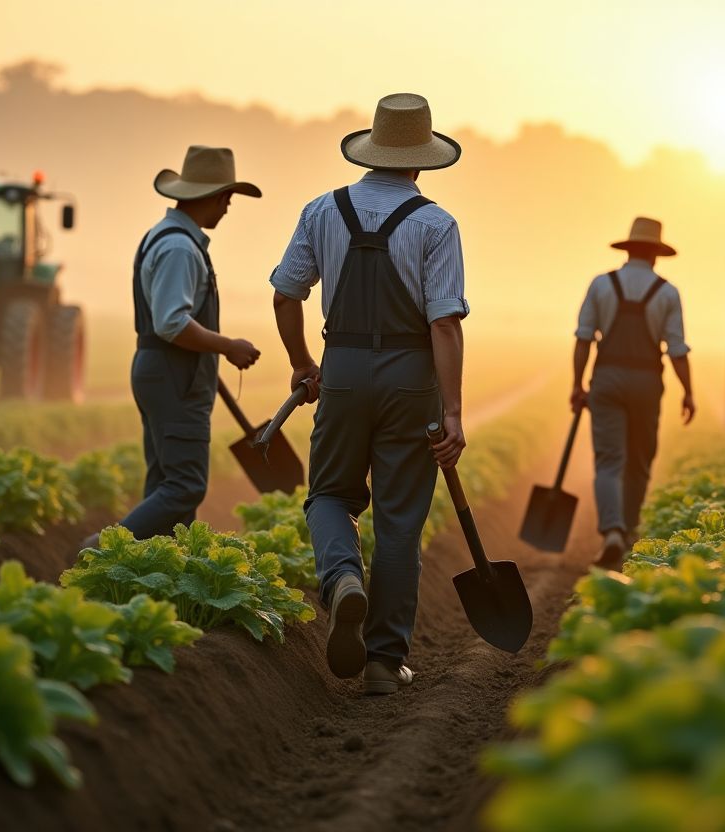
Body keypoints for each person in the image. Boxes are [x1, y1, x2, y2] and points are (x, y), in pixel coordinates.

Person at [270, 93, 468, 695]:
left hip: (344, 370)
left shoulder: (321, 211)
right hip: (412, 378)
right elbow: (444, 324)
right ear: (422, 161)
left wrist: (305, 362)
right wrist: (453, 411)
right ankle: (384, 662)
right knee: (401, 523)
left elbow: (285, 295)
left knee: (329, 494)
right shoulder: (436, 223)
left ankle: (342, 579)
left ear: (372, 152)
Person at [91, 146, 263, 546]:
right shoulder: (180, 249)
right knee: (185, 486)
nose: (228, 209)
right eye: (229, 200)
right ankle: (100, 550)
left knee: (165, 484)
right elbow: (171, 323)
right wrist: (227, 346)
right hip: (174, 376)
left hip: (164, 371)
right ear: (218, 197)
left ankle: (159, 574)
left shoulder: (165, 237)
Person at [570, 217, 695, 570]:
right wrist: (689, 392)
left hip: (606, 379)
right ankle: (628, 533)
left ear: (628, 249)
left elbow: (583, 338)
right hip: (646, 384)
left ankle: (611, 531)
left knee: (609, 460)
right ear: (656, 254)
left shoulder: (602, 284)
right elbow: (677, 350)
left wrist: (577, 385)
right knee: (639, 461)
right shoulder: (667, 293)